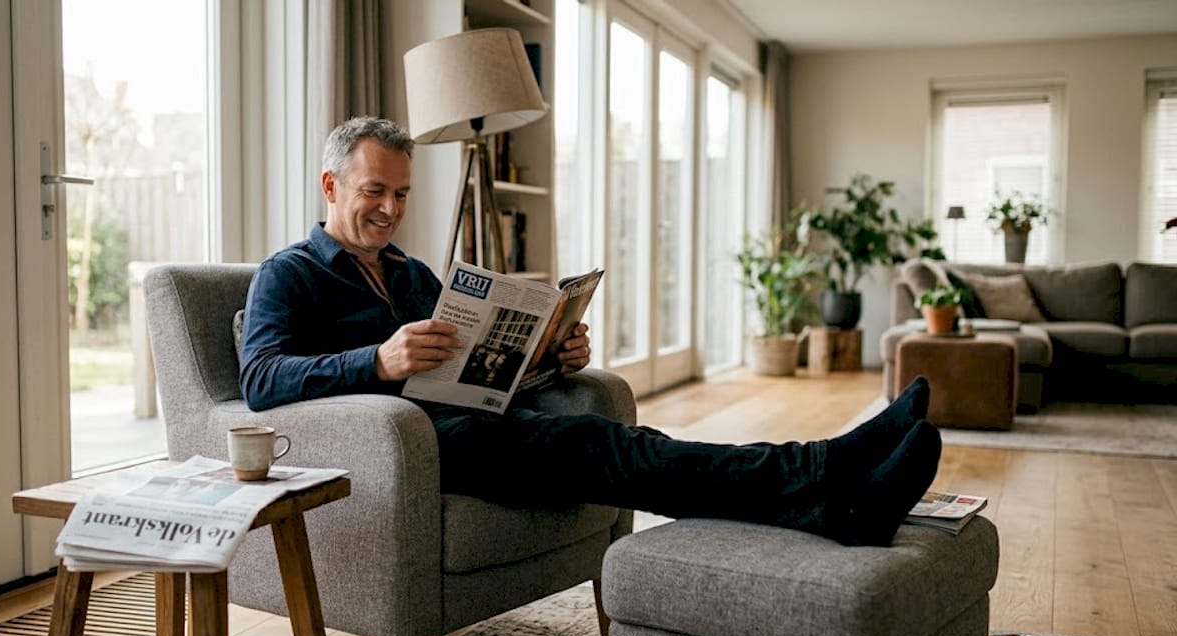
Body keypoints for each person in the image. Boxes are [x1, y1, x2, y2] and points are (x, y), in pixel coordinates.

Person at [238, 116, 941, 548]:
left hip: (482, 422)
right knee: (611, 444)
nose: (391, 208)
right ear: (331, 187)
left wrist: (552, 356)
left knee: (632, 446)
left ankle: (837, 499)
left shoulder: (414, 273)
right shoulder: (290, 273)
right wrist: (377, 360)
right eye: (374, 192)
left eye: (401, 194)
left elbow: (477, 363)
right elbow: (259, 380)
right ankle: (829, 469)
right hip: (422, 447)